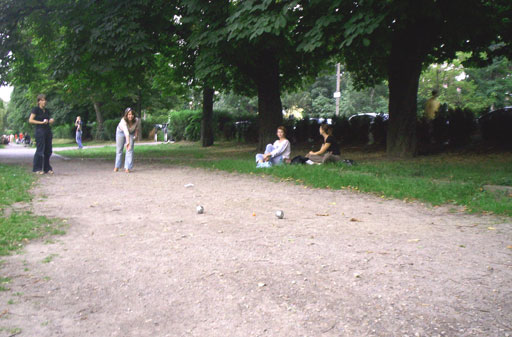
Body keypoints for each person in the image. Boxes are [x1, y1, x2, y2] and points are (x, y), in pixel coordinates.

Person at [28, 94, 54, 174]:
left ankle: (47, 168)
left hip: (47, 130)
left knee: (48, 150)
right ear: (39, 101)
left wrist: (51, 121)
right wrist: (41, 122)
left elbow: (49, 120)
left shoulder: (47, 110)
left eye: (45, 100)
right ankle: (37, 168)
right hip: (40, 131)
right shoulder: (36, 109)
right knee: (40, 150)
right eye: (42, 100)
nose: (44, 102)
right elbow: (31, 120)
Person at [114, 107, 140, 173]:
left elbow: (137, 128)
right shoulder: (123, 121)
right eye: (129, 114)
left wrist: (136, 135)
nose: (130, 116)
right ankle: (117, 166)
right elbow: (126, 132)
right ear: (126, 115)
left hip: (131, 133)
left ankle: (127, 167)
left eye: (132, 114)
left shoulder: (136, 120)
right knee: (119, 149)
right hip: (121, 132)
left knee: (130, 149)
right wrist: (127, 142)